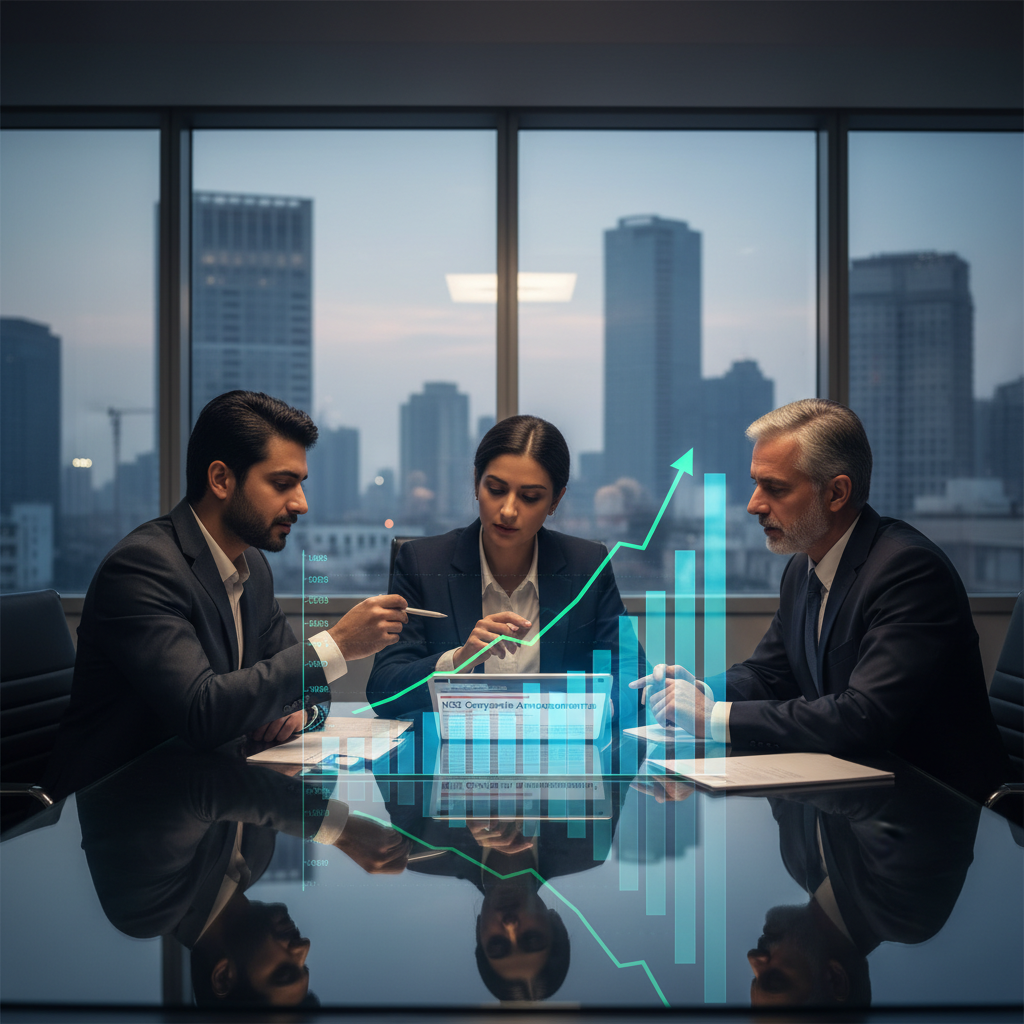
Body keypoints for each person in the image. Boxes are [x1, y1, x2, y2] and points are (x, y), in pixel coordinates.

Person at [631, 399, 1007, 804]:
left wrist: (713, 716)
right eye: (756, 483)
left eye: (774, 488)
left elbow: (863, 717)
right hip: (849, 802)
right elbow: (769, 673)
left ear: (836, 493)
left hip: (929, 809)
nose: (753, 504)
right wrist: (701, 690)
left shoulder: (909, 572)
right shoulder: (804, 565)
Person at [46, 391, 408, 797]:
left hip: (213, 800)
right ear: (221, 479)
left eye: (300, 484)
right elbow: (203, 713)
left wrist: (301, 713)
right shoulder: (142, 568)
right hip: (129, 809)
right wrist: (338, 643)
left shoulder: (252, 566)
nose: (302, 504)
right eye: (282, 484)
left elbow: (309, 687)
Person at [76, 741, 409, 1009]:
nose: (303, 947)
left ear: (223, 976)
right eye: (303, 967)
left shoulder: (147, 909)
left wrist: (337, 829)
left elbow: (198, 786)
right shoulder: (255, 859)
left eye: (283, 972)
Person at [366, 415, 632, 718]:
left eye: (530, 497)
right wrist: (457, 661)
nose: (508, 511)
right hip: (451, 756)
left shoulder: (587, 566)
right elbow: (382, 689)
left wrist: (591, 715)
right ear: (476, 482)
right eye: (495, 489)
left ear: (556, 500)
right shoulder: (423, 564)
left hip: (560, 756)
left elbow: (628, 669)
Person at [748, 771, 980, 1009]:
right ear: (835, 978)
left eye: (754, 977)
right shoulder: (904, 914)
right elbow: (872, 788)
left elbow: (769, 773)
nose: (753, 958)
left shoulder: (795, 863)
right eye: (774, 980)